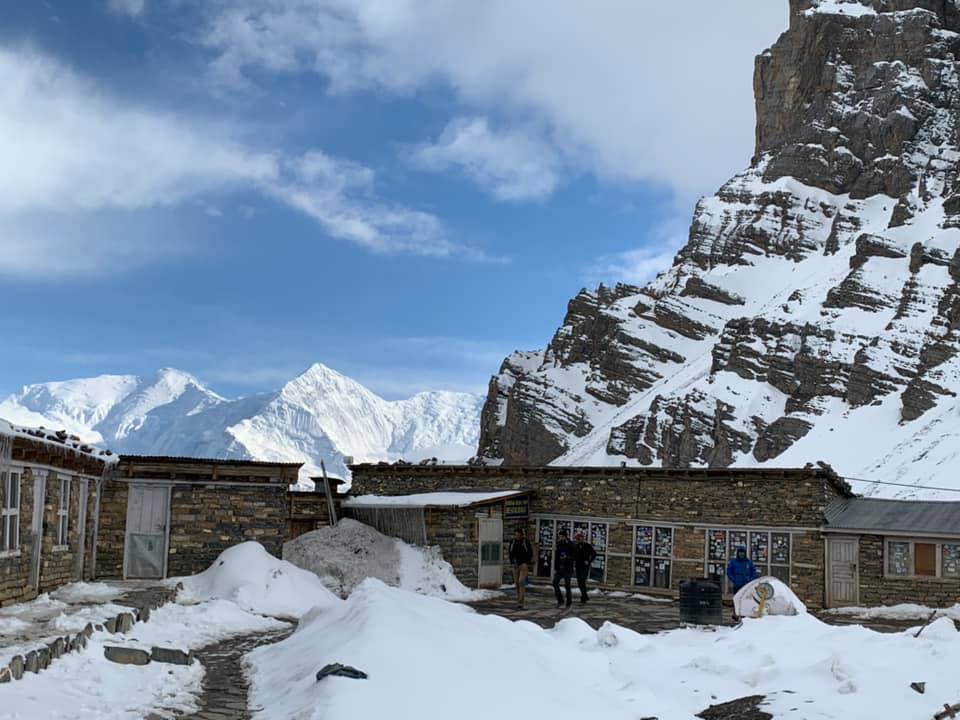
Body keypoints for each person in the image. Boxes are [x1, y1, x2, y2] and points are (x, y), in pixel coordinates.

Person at [508, 527, 533, 608]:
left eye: (518, 535)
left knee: (521, 581)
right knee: (516, 583)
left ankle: (521, 600)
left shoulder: (525, 542)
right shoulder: (513, 542)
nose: (517, 536)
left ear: (522, 535)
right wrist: (512, 562)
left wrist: (526, 562)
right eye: (516, 535)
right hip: (515, 564)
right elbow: (510, 553)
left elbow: (530, 553)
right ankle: (518, 599)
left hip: (523, 564)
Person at [552, 529, 575, 608]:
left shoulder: (571, 544)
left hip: (568, 568)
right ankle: (560, 600)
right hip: (560, 568)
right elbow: (557, 556)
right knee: (555, 582)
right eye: (560, 536)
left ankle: (569, 602)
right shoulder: (559, 544)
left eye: (562, 536)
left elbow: (574, 556)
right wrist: (556, 566)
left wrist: (567, 557)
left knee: (567, 585)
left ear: (565, 537)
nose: (561, 538)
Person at [573, 532, 597, 604]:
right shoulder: (576, 546)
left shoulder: (587, 546)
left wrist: (588, 561)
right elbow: (573, 555)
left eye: (580, 538)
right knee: (579, 582)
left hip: (585, 566)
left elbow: (593, 554)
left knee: (582, 580)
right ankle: (584, 596)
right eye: (577, 539)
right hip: (578, 566)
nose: (579, 540)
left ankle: (584, 597)